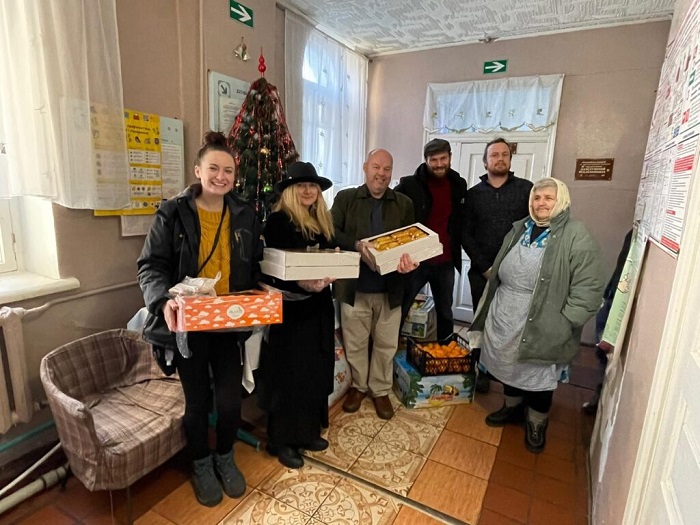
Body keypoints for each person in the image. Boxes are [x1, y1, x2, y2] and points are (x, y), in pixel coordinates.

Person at [137, 131, 263, 507]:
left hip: (227, 323)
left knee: (228, 401)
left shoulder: (244, 213)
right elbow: (150, 266)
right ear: (198, 170)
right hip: (188, 324)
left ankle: (225, 456)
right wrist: (164, 302)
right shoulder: (173, 212)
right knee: (196, 402)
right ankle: (200, 463)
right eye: (214, 168)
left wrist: (268, 291)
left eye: (228, 170)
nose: (221, 176)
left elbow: (255, 265)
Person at [469, 177, 604, 453]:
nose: (541, 203)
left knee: (538, 372)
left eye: (548, 198)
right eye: (537, 197)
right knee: (509, 365)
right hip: (506, 311)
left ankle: (536, 421)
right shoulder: (521, 227)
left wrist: (566, 321)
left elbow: (589, 285)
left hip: (546, 318)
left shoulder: (575, 234)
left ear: (561, 201)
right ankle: (512, 408)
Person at [259, 162, 337, 469]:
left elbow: (336, 254)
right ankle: (283, 441)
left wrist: (330, 274)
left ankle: (307, 433)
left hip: (319, 307)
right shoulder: (278, 221)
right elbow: (270, 268)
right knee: (290, 374)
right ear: (290, 191)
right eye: (302, 186)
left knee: (315, 369)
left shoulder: (323, 221)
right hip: (290, 310)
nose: (308, 190)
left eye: (313, 186)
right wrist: (300, 282)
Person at [331, 149, 418, 420]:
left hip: (391, 288)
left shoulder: (404, 203)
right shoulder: (345, 198)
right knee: (355, 342)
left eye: (387, 169)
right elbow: (331, 231)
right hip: (354, 287)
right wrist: (356, 246)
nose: (381, 173)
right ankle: (358, 386)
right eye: (376, 167)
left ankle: (379, 390)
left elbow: (411, 241)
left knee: (386, 343)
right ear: (365, 167)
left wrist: (410, 261)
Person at [463, 138, 533, 392]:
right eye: (494, 155)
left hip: (517, 276)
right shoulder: (473, 195)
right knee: (480, 323)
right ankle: (479, 371)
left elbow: (532, 229)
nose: (500, 159)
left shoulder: (527, 190)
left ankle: (508, 378)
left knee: (510, 327)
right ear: (486, 161)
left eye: (505, 154)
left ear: (510, 160)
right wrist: (484, 267)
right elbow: (465, 234)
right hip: (481, 273)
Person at [395, 138, 468, 341]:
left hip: (445, 261)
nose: (438, 164)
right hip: (415, 262)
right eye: (433, 159)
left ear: (450, 158)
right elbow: (391, 207)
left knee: (445, 313)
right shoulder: (409, 184)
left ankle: (445, 355)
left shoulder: (459, 184)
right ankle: (391, 355)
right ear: (426, 160)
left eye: (443, 158)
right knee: (401, 308)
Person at [582, 229, 633, 414]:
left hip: (620, 303)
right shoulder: (632, 233)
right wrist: (607, 293)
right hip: (612, 296)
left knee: (609, 352)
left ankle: (601, 400)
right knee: (602, 350)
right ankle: (599, 397)